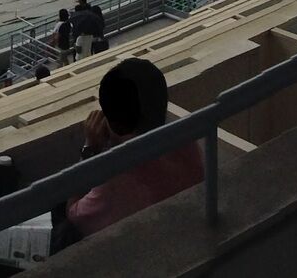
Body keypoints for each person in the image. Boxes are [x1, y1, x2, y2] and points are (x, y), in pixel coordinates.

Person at [60, 59, 201, 243]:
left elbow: (74, 214)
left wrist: (89, 150)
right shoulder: (187, 141)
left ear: (113, 122)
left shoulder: (115, 180)